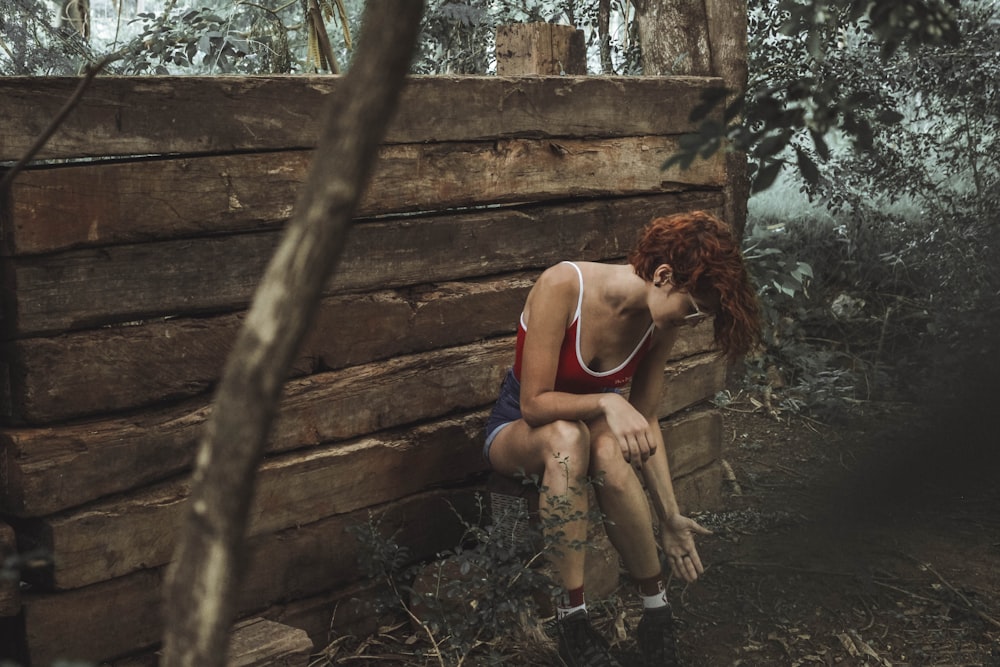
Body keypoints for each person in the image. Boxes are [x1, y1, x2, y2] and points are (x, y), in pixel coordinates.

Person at [482, 210, 760, 667]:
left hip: (586, 435)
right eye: (692, 308)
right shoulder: (563, 286)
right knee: (569, 437)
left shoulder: (660, 323)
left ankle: (656, 613)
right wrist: (608, 402)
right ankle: (572, 623)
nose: (689, 320)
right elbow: (533, 403)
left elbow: (646, 420)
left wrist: (670, 516)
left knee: (609, 447)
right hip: (517, 431)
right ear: (664, 276)